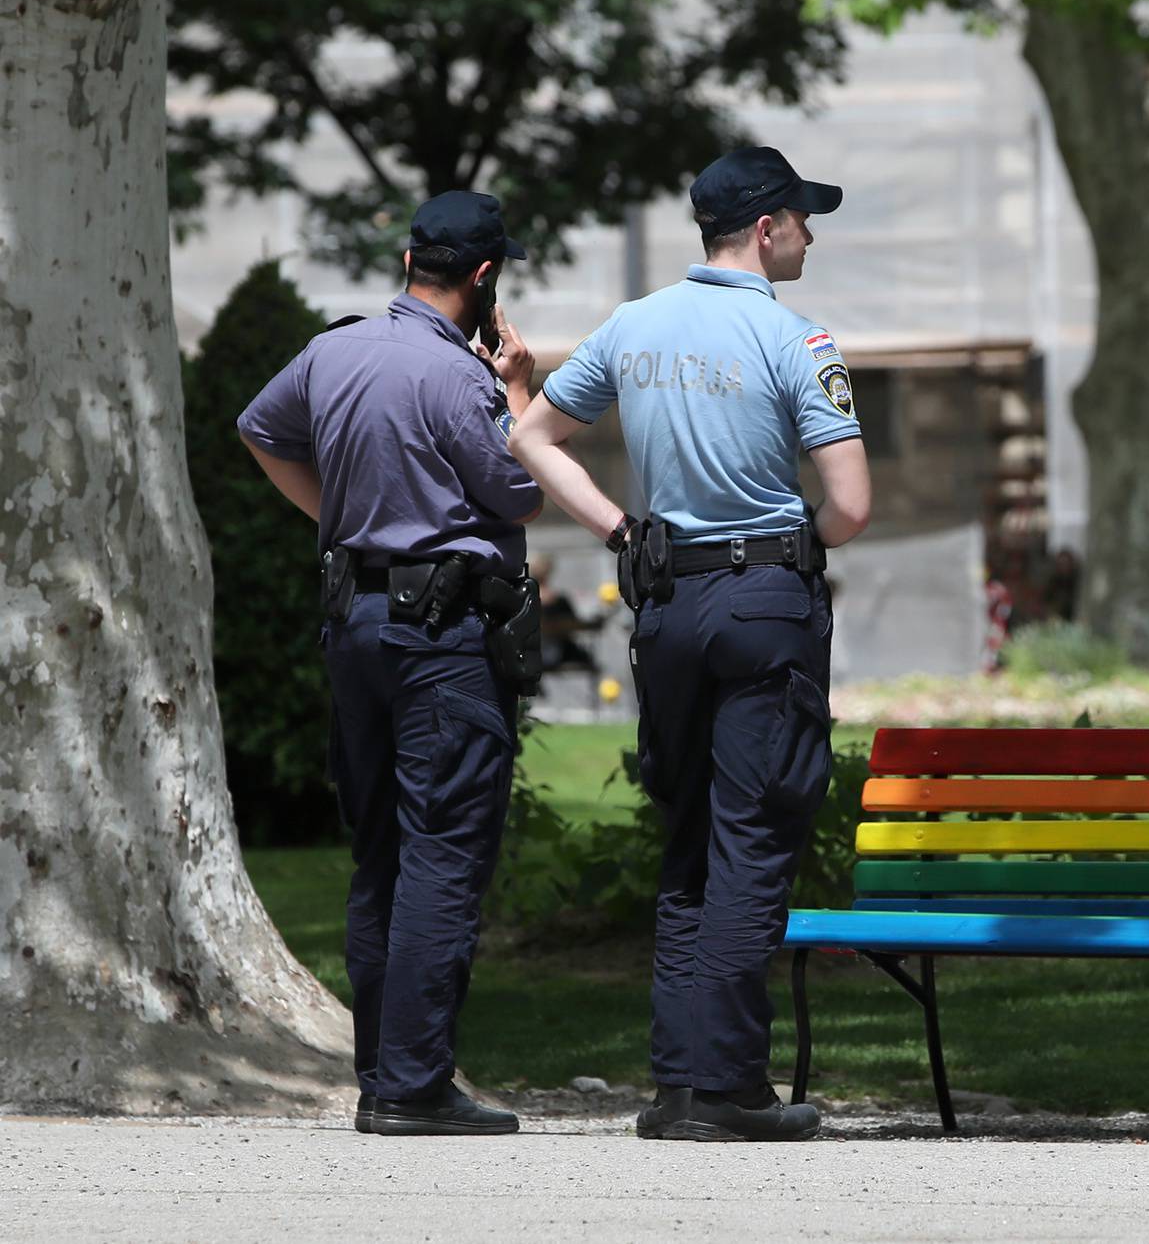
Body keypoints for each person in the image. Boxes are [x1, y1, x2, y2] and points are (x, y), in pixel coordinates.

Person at [508, 146, 871, 1142]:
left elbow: (532, 439)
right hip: (765, 601)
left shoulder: (632, 326)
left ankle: (677, 1082)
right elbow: (850, 505)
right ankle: (728, 1087)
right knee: (754, 840)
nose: (811, 232)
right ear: (766, 227)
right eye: (803, 216)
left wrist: (621, 530)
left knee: (688, 839)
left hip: (665, 603)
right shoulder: (800, 340)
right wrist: (791, 535)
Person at [237, 191, 544, 1136]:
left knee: (381, 853)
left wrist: (337, 519)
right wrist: (524, 390)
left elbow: (259, 427)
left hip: (356, 623)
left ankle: (384, 1074)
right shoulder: (460, 379)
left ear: (410, 258)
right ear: (486, 277)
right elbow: (522, 489)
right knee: (444, 849)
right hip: (440, 640)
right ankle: (415, 1085)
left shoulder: (334, 350)